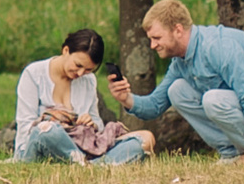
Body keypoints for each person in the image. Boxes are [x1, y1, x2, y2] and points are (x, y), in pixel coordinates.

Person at [107, 0, 244, 165]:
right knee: (176, 90)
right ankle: (232, 154)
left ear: (177, 30)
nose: (152, 45)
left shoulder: (217, 47)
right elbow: (155, 105)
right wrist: (126, 98)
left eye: (157, 37)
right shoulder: (180, 62)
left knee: (213, 99)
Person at [12, 28, 153, 165]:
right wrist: (58, 121)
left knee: (145, 139)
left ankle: (86, 165)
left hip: (82, 148)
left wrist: (91, 123)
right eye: (78, 65)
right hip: (40, 148)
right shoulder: (33, 74)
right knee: (47, 129)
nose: (80, 73)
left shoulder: (89, 80)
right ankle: (94, 165)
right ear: (66, 51)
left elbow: (98, 127)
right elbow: (26, 128)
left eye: (88, 69)